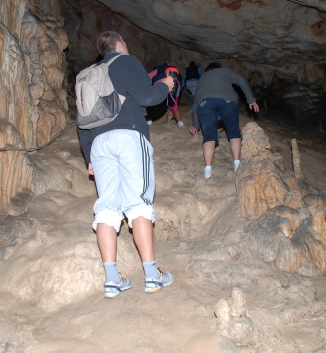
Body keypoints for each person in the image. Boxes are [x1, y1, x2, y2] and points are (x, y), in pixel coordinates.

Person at [78, 31, 174, 298]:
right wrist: (165, 85)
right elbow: (147, 98)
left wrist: (89, 158)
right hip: (129, 136)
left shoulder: (89, 74)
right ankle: (152, 276)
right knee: (138, 203)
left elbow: (82, 120)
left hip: (99, 144)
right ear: (120, 44)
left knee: (107, 207)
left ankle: (112, 280)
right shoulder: (126, 61)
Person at [190, 62, 259, 180]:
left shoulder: (202, 78)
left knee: (209, 136)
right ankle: (237, 164)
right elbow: (241, 80)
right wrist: (250, 99)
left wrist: (195, 125)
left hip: (205, 104)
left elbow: (195, 103)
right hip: (227, 101)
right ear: (218, 68)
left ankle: (208, 170)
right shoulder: (225, 71)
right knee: (233, 131)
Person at [148, 63, 185, 127]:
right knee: (174, 105)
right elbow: (181, 81)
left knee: (154, 102)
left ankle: (149, 120)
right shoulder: (175, 69)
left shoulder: (160, 67)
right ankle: (180, 123)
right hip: (176, 83)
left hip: (161, 81)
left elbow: (148, 76)